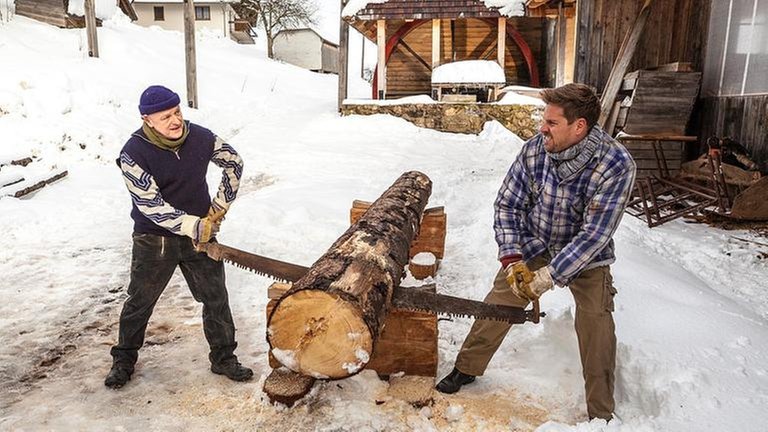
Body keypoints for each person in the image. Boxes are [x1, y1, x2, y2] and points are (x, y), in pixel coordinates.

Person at [436, 83, 637, 421]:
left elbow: (595, 235)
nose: (542, 128)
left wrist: (551, 276)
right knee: (500, 301)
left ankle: (601, 410)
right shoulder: (534, 150)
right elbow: (508, 205)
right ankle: (467, 367)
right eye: (544, 120)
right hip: (535, 242)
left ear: (579, 126)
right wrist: (513, 259)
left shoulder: (616, 165)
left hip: (585, 256)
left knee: (597, 321)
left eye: (552, 123)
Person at [105, 85, 251, 389]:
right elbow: (150, 205)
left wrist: (219, 207)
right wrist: (193, 226)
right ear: (147, 120)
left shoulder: (200, 137)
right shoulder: (133, 154)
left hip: (200, 233)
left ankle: (224, 358)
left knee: (215, 297)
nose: (175, 121)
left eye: (177, 112)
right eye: (165, 117)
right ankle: (124, 360)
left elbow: (234, 163)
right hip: (154, 239)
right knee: (140, 301)